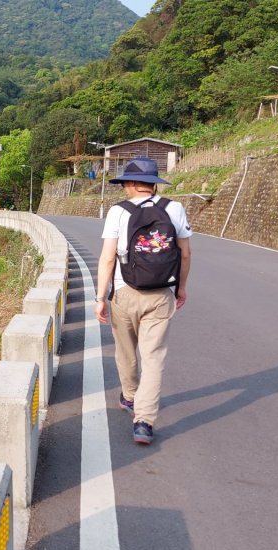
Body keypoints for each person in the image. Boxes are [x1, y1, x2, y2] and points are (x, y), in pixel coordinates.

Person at [94, 157, 192, 444]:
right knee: (154, 357)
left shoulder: (118, 212)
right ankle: (144, 422)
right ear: (153, 184)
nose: (124, 186)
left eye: (125, 181)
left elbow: (108, 258)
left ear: (134, 184)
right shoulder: (174, 209)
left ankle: (130, 397)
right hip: (161, 293)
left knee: (125, 352)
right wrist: (181, 287)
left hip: (124, 293)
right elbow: (185, 254)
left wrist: (101, 297)